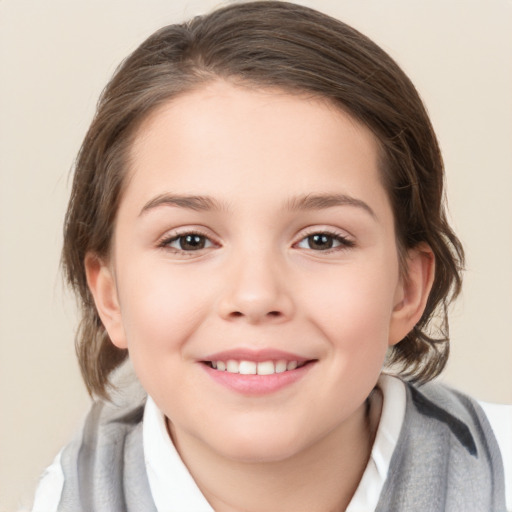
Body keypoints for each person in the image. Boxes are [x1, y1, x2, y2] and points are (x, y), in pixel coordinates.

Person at [32, 1, 506, 511]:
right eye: (190, 240)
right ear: (110, 296)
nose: (255, 296)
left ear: (407, 289)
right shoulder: (62, 497)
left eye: (322, 240)